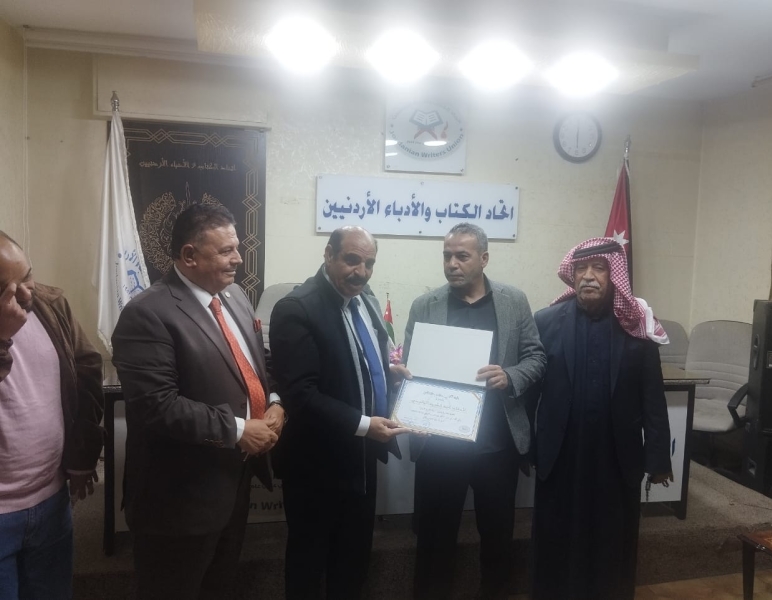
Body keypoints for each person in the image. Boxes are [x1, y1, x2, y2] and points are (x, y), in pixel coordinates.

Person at [112, 204, 284, 600]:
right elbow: (157, 405)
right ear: (189, 255)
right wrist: (238, 430)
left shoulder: (234, 296)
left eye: (237, 248)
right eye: (226, 251)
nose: (238, 259)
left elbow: (257, 362)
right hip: (178, 502)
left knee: (219, 587)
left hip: (231, 486)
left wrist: (274, 400)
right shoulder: (147, 314)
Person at [403, 223, 547, 599]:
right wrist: (409, 403)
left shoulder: (513, 300)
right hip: (439, 444)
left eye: (462, 256)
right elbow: (411, 370)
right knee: (434, 540)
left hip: (496, 446)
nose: (452, 264)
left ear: (484, 258)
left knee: (498, 537)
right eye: (447, 256)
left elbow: (536, 357)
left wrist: (510, 375)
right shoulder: (425, 305)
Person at [269, 226, 411, 600]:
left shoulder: (364, 301)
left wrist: (387, 372)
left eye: (369, 263)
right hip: (316, 466)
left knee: (353, 561)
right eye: (352, 260)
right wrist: (364, 425)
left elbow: (355, 359)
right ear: (329, 255)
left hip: (361, 460)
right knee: (309, 563)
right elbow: (300, 394)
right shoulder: (297, 308)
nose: (361, 272)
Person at [530, 237, 672, 600]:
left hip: (616, 456)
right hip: (561, 453)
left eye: (599, 268)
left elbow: (653, 397)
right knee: (556, 533)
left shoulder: (637, 325)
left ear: (615, 275)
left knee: (612, 537)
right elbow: (530, 391)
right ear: (571, 275)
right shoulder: (545, 321)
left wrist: (658, 460)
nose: (588, 276)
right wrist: (525, 446)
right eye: (581, 269)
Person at [0, 231, 104, 600]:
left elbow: (87, 370)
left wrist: (81, 458)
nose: (25, 294)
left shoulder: (50, 304)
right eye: (6, 289)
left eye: (27, 276)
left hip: (51, 500)